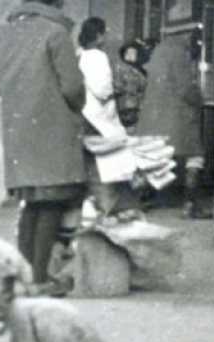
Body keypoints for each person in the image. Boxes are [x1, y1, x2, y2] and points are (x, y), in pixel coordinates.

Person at [0, 0, 86, 296]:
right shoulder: (55, 32)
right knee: (52, 201)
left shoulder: (5, 33)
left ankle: (24, 277)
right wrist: (78, 107)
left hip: (18, 126)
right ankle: (40, 278)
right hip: (52, 124)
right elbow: (72, 88)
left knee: (32, 202)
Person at [136, 29, 212, 219]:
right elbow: (186, 88)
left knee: (153, 158)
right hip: (178, 116)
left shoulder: (159, 51)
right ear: (186, 36)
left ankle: (139, 200)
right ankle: (190, 203)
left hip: (153, 116)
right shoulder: (180, 53)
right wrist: (200, 99)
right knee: (194, 157)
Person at [77, 16, 142, 218]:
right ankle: (109, 205)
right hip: (100, 118)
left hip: (84, 115)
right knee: (108, 164)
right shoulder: (98, 56)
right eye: (104, 32)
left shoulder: (79, 55)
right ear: (98, 36)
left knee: (90, 164)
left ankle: (94, 203)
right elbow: (103, 89)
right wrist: (115, 90)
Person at [113, 39, 150, 130]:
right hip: (125, 105)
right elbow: (117, 86)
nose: (129, 55)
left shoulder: (142, 72)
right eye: (127, 53)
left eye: (132, 53)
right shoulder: (121, 70)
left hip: (137, 105)